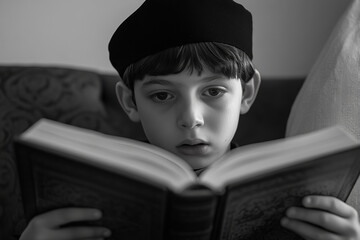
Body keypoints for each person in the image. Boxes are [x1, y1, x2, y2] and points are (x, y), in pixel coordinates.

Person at [19, 0, 360, 239]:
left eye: (213, 92)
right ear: (129, 101)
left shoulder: (299, 192)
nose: (191, 119)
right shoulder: (81, 196)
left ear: (248, 92)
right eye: (162, 95)